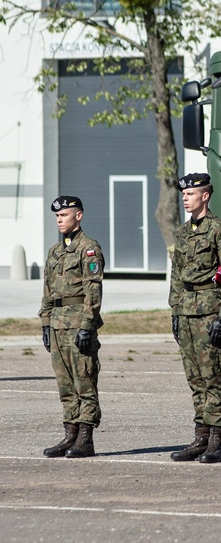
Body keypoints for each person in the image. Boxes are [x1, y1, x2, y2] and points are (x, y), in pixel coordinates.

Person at [168, 173, 221, 464]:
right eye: (184, 194)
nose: (185, 198)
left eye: (191, 194)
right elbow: (176, 274)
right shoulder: (184, 232)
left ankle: (215, 441)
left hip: (209, 309)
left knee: (213, 377)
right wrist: (174, 310)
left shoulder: (220, 231)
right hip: (186, 309)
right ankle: (200, 437)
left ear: (205, 196)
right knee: (195, 378)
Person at [39, 195, 104, 458]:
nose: (59, 220)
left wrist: (88, 325)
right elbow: (47, 289)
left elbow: (94, 289)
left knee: (84, 380)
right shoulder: (55, 251)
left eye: (64, 215)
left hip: (79, 323)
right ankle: (70, 435)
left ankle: (85, 439)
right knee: (65, 383)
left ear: (78, 216)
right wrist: (45, 322)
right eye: (57, 216)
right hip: (57, 324)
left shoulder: (88, 248)